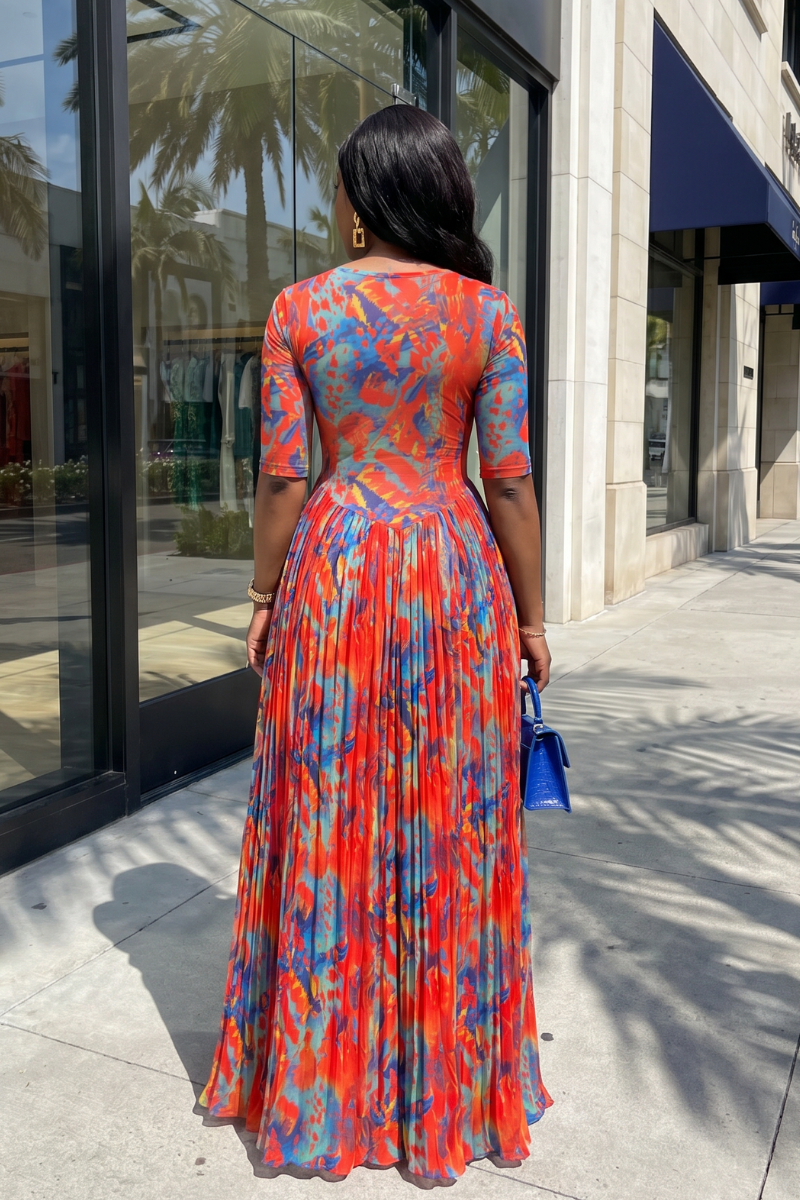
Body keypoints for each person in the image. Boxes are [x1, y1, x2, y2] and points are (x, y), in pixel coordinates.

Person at [199, 104, 553, 1186]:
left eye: (342, 189)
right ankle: (446, 1091)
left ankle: (320, 1086)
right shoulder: (487, 315)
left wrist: (263, 595)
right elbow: (508, 483)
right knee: (451, 822)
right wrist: (533, 619)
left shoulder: (300, 311)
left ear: (362, 202)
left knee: (326, 810)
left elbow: (282, 477)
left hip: (337, 570)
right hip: (453, 575)